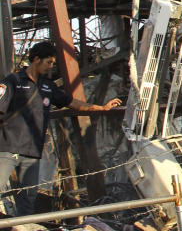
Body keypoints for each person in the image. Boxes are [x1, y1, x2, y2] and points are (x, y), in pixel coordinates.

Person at [0, 41, 121, 216]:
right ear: (36, 60)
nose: (51, 66)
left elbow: (71, 103)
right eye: (48, 62)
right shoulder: (13, 81)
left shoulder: (47, 86)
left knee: (28, 198)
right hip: (8, 149)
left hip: (32, 153)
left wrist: (100, 108)